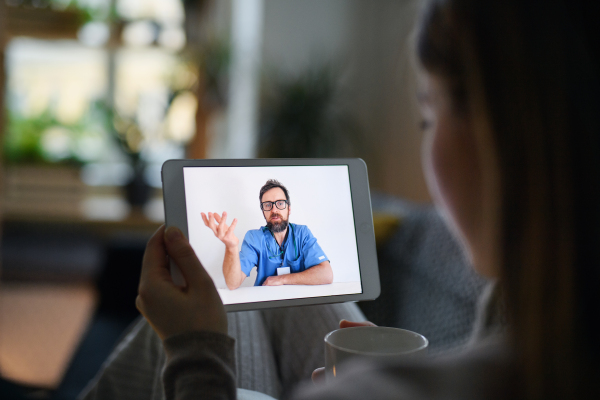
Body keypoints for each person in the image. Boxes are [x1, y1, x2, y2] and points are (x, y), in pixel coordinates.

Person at [135, 0, 600, 399]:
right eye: (269, 206)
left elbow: (323, 274)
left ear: (498, 132)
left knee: (228, 316)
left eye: (427, 116)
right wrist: (235, 251)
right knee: (240, 304)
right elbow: (237, 282)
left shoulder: (302, 239)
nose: (276, 211)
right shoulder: (515, 315)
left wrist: (195, 348)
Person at [201, 179, 333, 289]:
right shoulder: (254, 238)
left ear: (289, 208)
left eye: (280, 203)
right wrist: (231, 247)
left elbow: (326, 274)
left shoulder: (302, 234)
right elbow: (232, 283)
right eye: (268, 205)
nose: (274, 209)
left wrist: (282, 279)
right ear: (263, 211)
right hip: (265, 306)